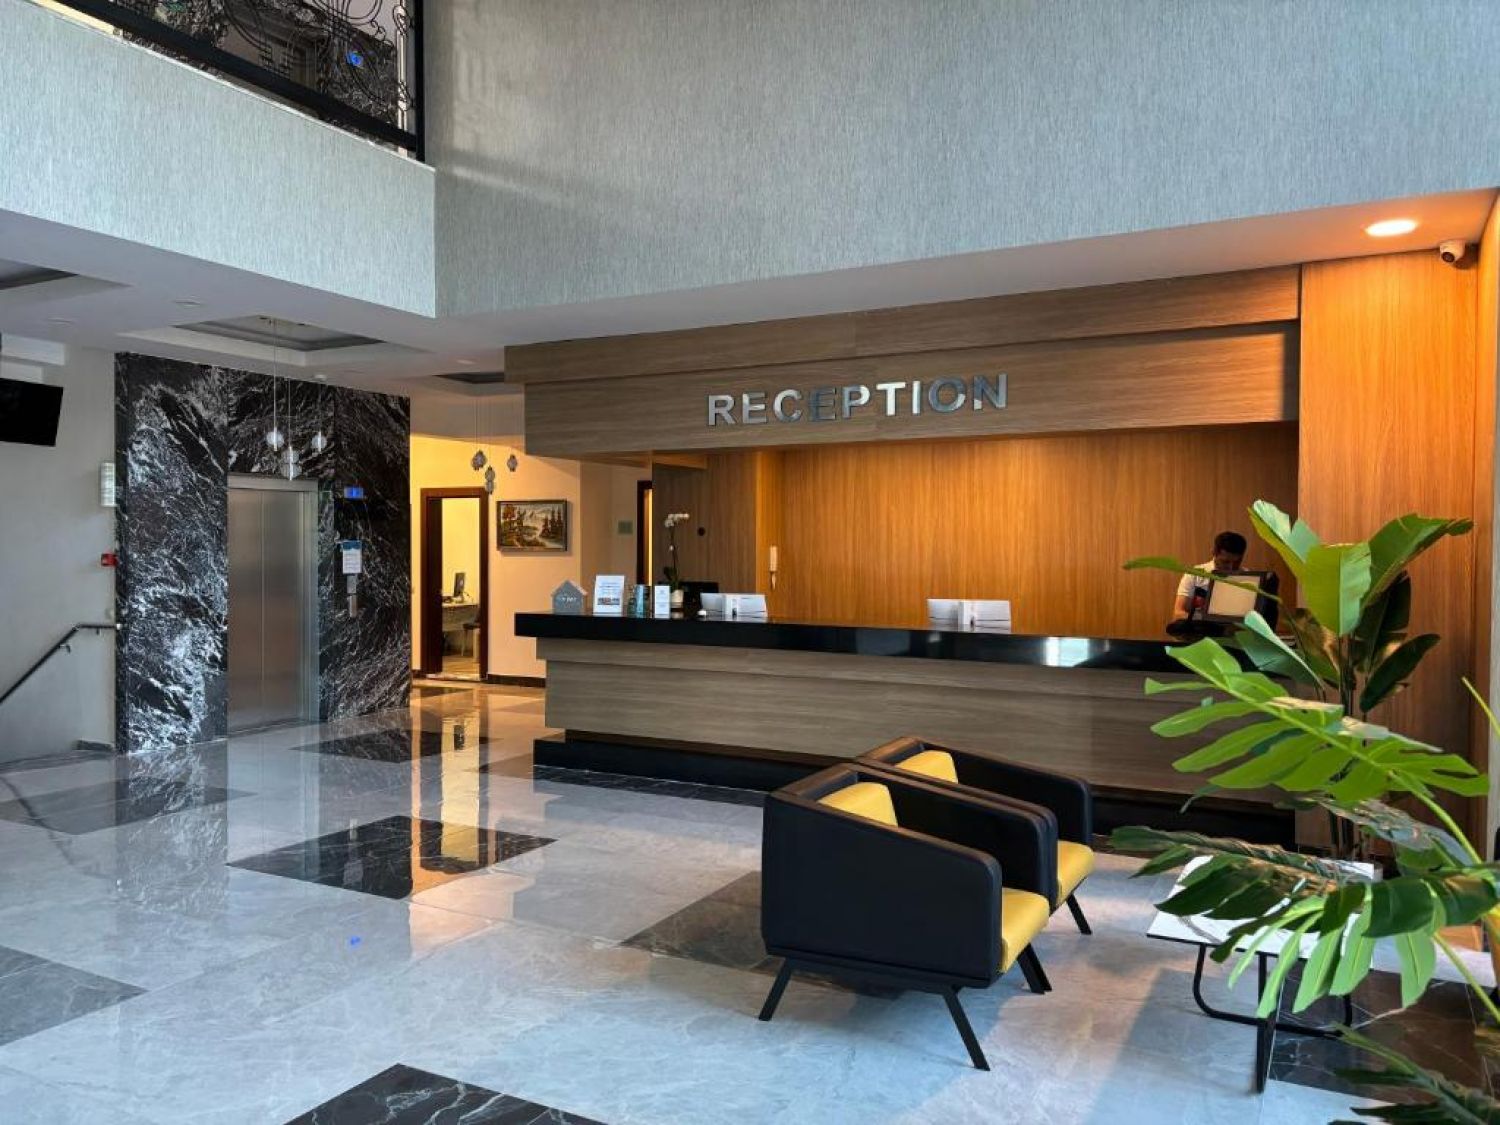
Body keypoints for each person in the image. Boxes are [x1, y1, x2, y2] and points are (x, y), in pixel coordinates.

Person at [1172, 531, 1247, 623]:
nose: (1231, 567)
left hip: (1235, 628)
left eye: (1236, 562)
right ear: (1213, 552)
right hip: (1201, 626)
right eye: (1225, 562)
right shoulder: (1195, 574)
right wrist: (1206, 620)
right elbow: (1178, 613)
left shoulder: (1249, 578)